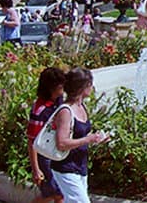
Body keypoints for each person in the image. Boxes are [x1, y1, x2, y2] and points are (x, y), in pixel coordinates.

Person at [50, 67, 109, 203]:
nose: (92, 87)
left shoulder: (81, 107)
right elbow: (62, 143)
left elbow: (81, 134)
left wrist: (97, 139)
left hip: (80, 166)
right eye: (90, 84)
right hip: (66, 168)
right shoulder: (66, 111)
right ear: (82, 87)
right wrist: (87, 139)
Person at [26, 67, 66, 203]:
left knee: (56, 193)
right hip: (46, 159)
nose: (63, 88)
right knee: (58, 193)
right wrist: (36, 169)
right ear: (51, 88)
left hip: (58, 155)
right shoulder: (39, 110)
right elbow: (32, 141)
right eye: (60, 86)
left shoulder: (59, 100)